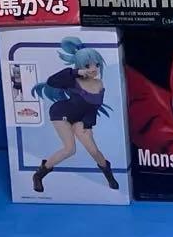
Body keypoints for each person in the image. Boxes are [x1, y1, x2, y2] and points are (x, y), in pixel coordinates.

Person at [31, 37, 120, 193]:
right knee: (70, 149)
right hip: (61, 113)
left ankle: (108, 174)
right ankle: (39, 175)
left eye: (97, 65)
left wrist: (88, 124)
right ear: (80, 66)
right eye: (88, 66)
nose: (93, 69)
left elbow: (94, 106)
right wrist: (76, 72)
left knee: (93, 150)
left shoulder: (99, 83)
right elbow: (52, 81)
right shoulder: (72, 80)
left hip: (81, 118)